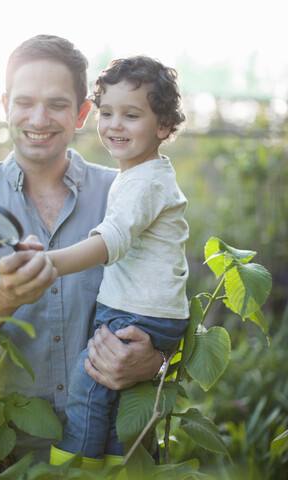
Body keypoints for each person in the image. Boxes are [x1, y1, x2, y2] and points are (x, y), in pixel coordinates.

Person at [0, 35, 163, 465]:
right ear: (5, 105)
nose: (39, 118)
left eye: (57, 104)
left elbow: (168, 300)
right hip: (11, 452)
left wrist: (155, 361)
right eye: (25, 102)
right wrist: (5, 295)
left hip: (117, 453)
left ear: (81, 114)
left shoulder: (125, 197)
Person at [47, 56, 190, 463]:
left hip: (134, 314)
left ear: (163, 126)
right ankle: (115, 468)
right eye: (107, 113)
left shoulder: (143, 181)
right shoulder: (142, 176)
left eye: (131, 114)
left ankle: (77, 470)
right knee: (113, 411)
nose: (114, 124)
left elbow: (112, 240)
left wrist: (49, 264)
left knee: (88, 392)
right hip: (147, 311)